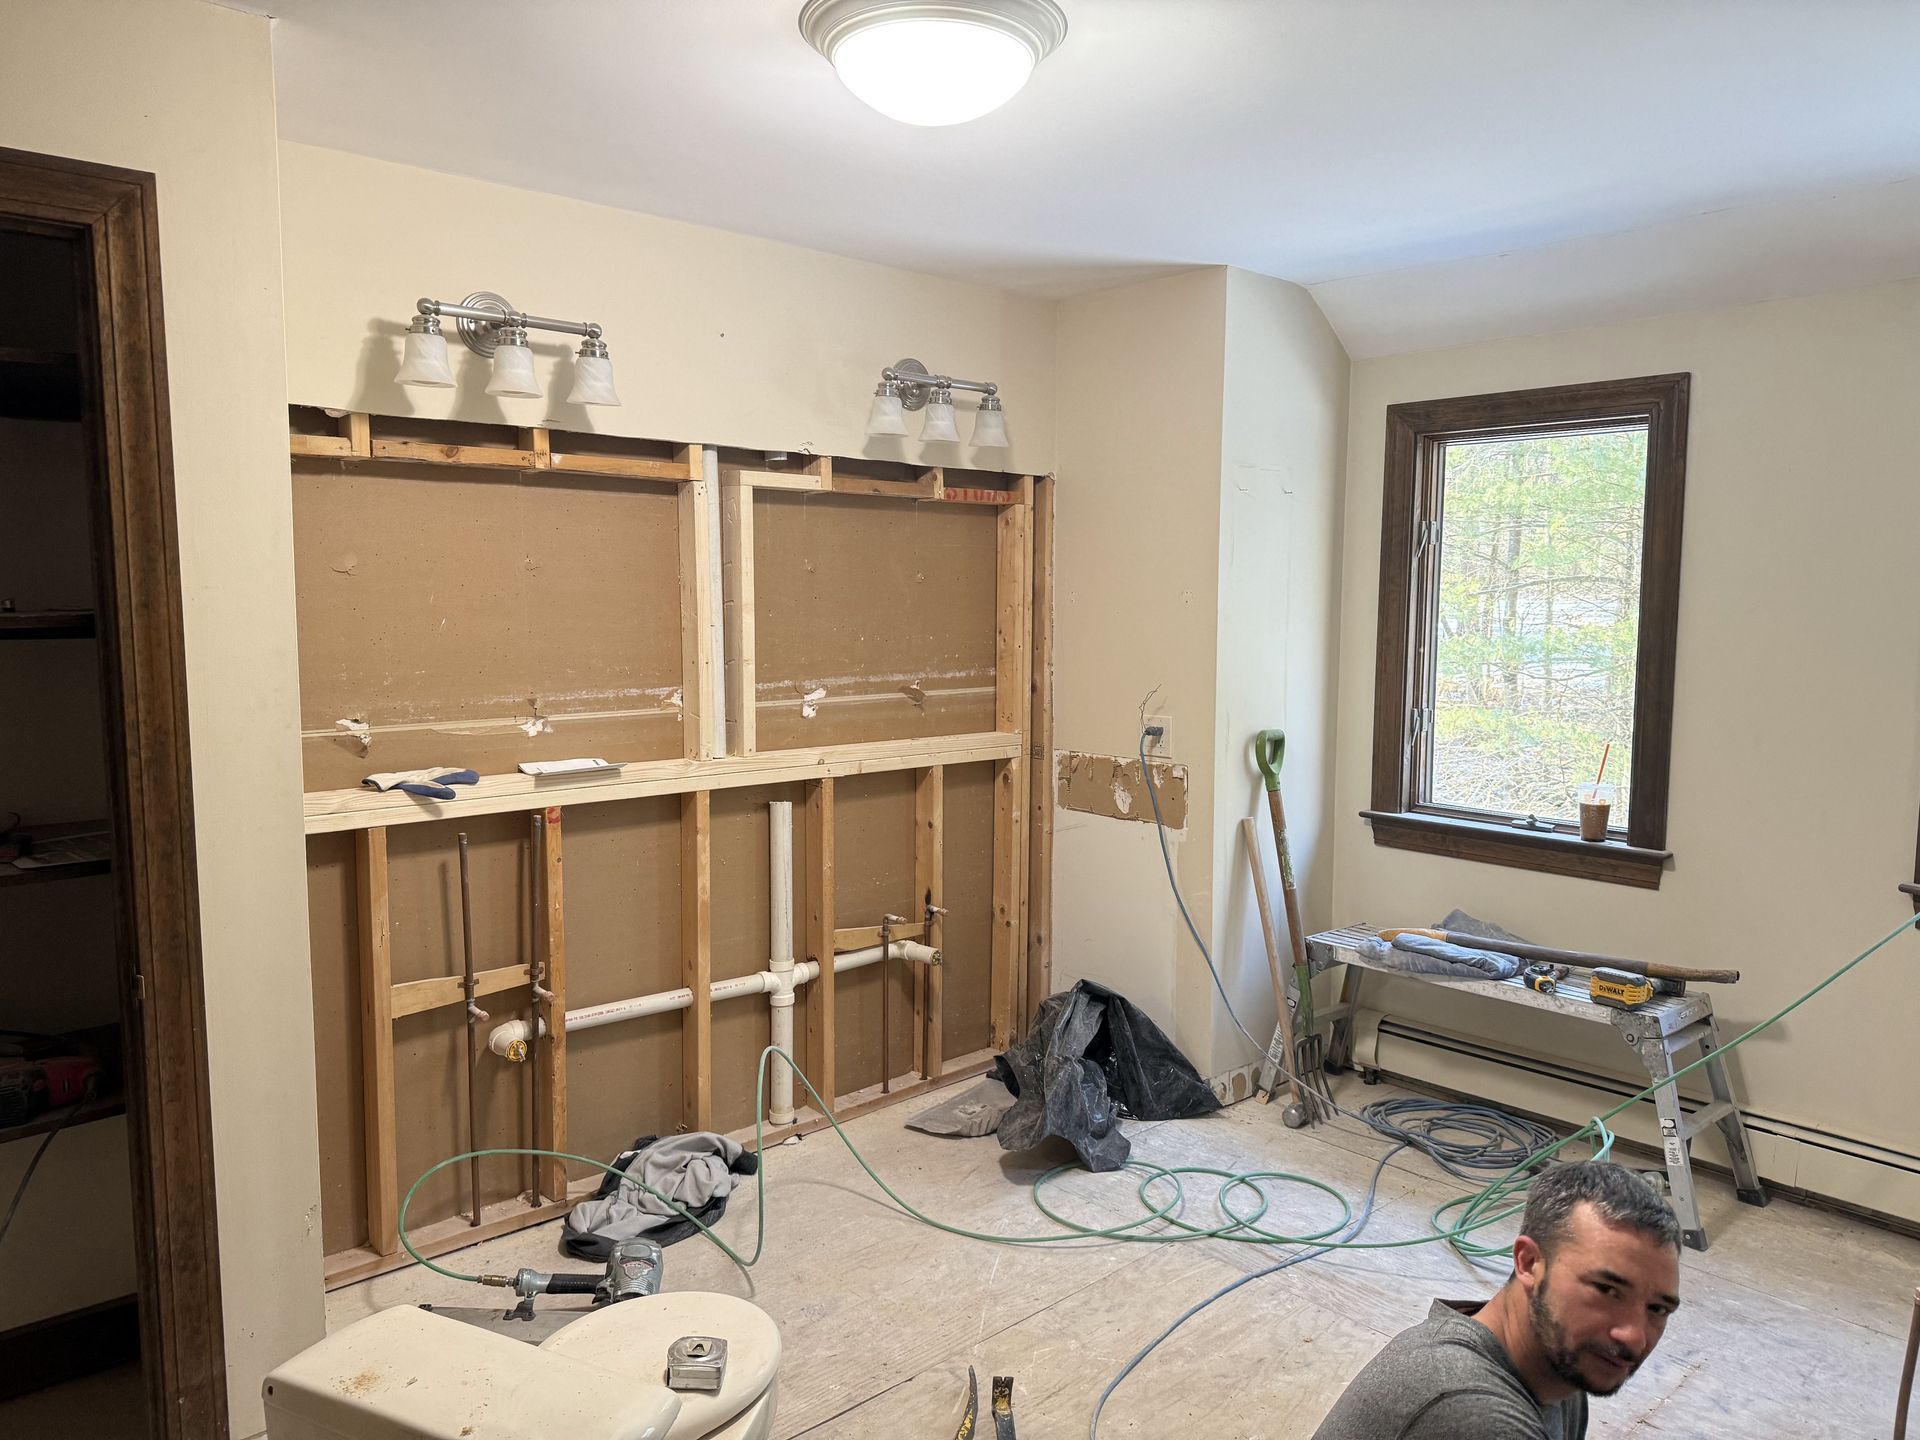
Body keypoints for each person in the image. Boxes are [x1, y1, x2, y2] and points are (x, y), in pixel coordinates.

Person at [1313, 1161, 1681, 1439]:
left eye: (1657, 1309)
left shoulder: (1567, 1363)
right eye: (1607, 1290)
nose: (1634, 1336)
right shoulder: (1473, 1414)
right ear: (1528, 1262)